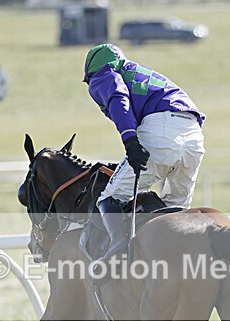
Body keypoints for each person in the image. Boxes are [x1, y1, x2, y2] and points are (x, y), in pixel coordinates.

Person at [83, 43, 205, 266]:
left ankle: (117, 247)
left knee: (109, 197)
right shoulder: (143, 73)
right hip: (194, 137)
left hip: (160, 132)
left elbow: (118, 98)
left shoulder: (104, 73)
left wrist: (130, 139)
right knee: (174, 210)